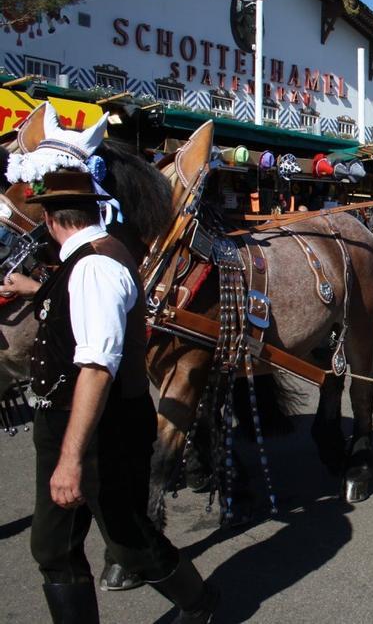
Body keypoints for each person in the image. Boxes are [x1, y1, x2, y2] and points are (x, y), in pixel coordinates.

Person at [0, 170, 218, 623]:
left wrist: (70, 459)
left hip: (99, 429)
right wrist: (36, 290)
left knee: (129, 542)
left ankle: (200, 606)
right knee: (52, 547)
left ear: (49, 219)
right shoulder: (89, 259)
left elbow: (97, 369)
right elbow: (81, 307)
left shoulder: (94, 267)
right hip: (70, 422)